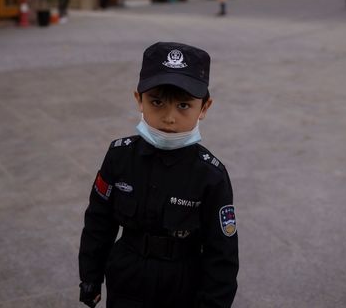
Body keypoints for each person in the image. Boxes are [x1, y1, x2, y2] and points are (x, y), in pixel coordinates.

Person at [79, 42, 239, 308]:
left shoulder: (211, 175)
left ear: (205, 107)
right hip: (126, 277)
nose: (169, 118)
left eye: (184, 106)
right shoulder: (119, 156)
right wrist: (91, 276)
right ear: (138, 100)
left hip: (183, 284)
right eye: (157, 102)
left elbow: (222, 254)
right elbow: (99, 221)